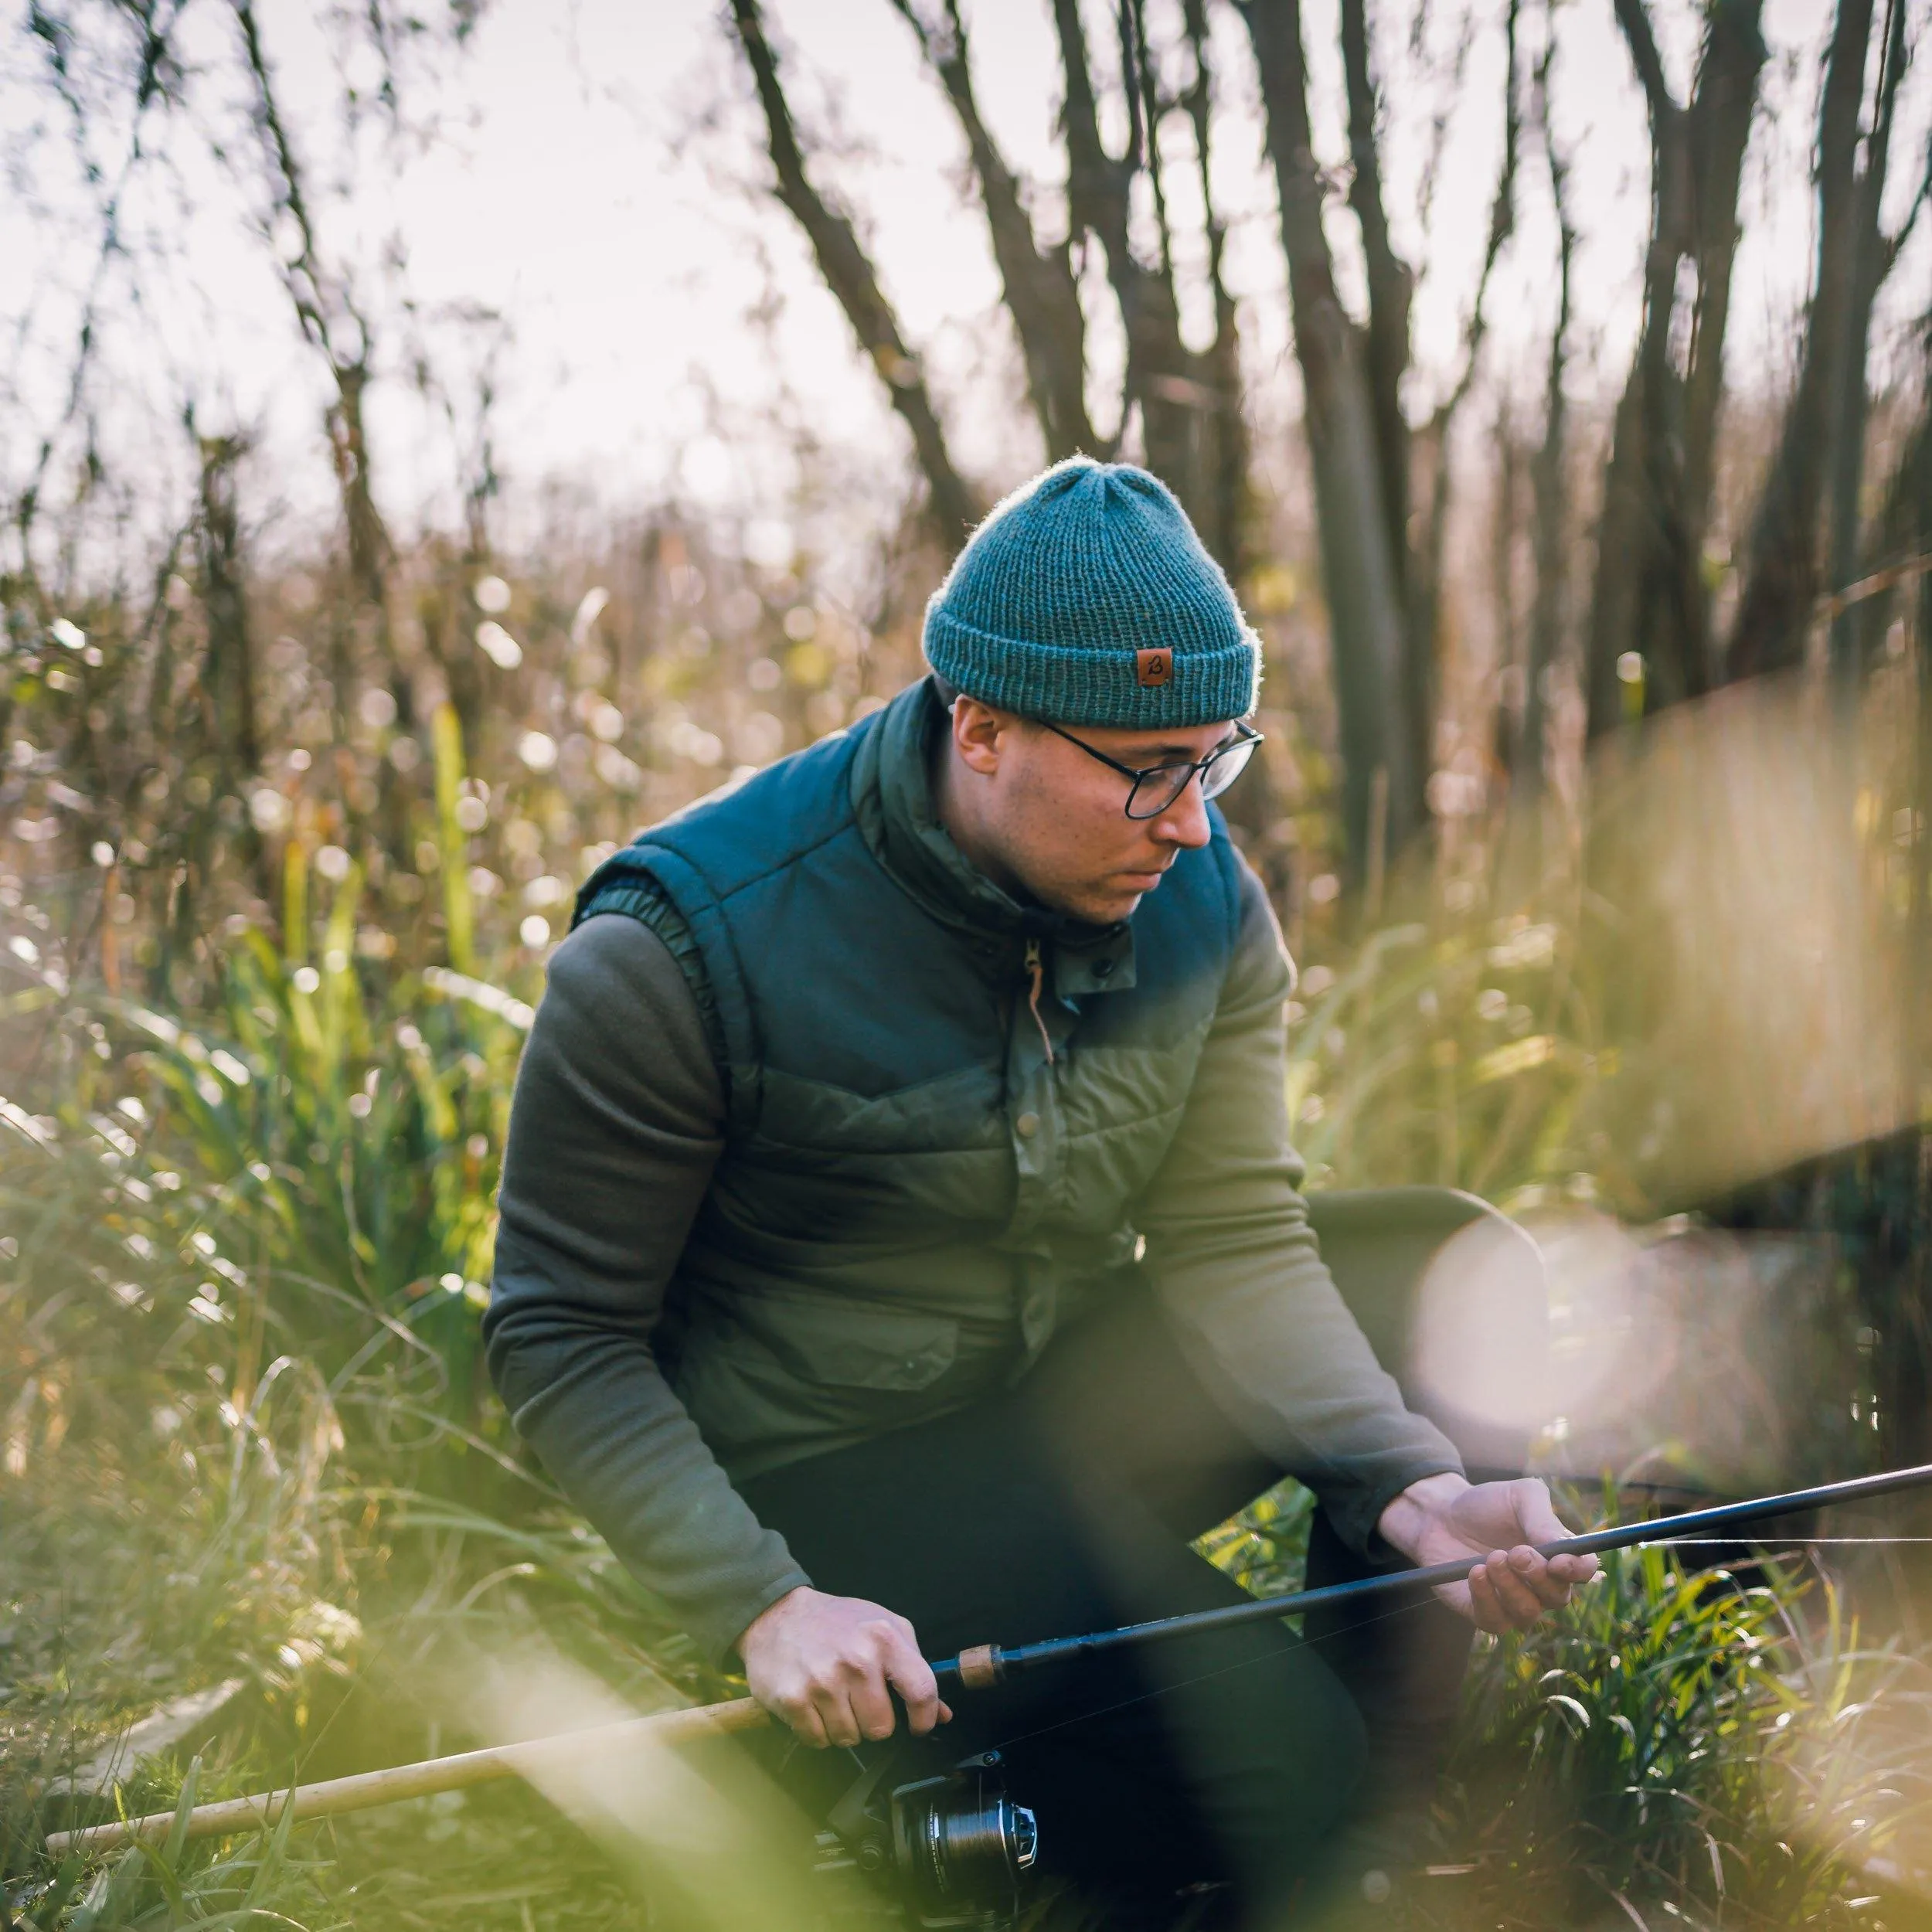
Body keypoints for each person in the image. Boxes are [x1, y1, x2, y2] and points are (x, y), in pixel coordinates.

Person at [485, 458, 1596, 1927]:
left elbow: (1233, 1236)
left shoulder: (1197, 899)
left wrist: (1406, 1487)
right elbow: (558, 1338)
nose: (1190, 820)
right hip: (827, 1471)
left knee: (1445, 1264)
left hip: (1047, 1391)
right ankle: (1076, 1805)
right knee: (1277, 1770)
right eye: (1148, 766)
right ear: (984, 727)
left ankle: (1342, 1821)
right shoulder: (682, 950)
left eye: (1217, 759)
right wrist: (758, 1601)